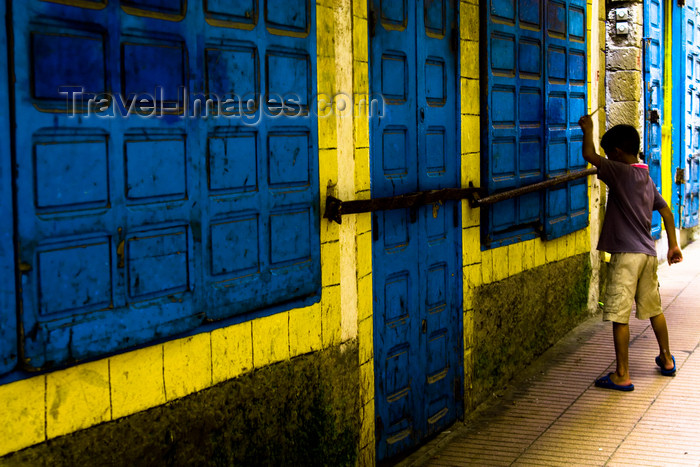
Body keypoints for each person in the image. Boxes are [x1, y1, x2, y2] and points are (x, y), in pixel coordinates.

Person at [578, 115, 683, 392]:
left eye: (610, 153)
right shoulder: (646, 179)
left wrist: (588, 130)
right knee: (654, 310)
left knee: (619, 315)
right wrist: (673, 245)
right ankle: (667, 358)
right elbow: (667, 212)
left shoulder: (618, 172)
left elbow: (589, 154)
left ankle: (622, 374)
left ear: (616, 153)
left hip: (626, 256)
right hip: (648, 255)